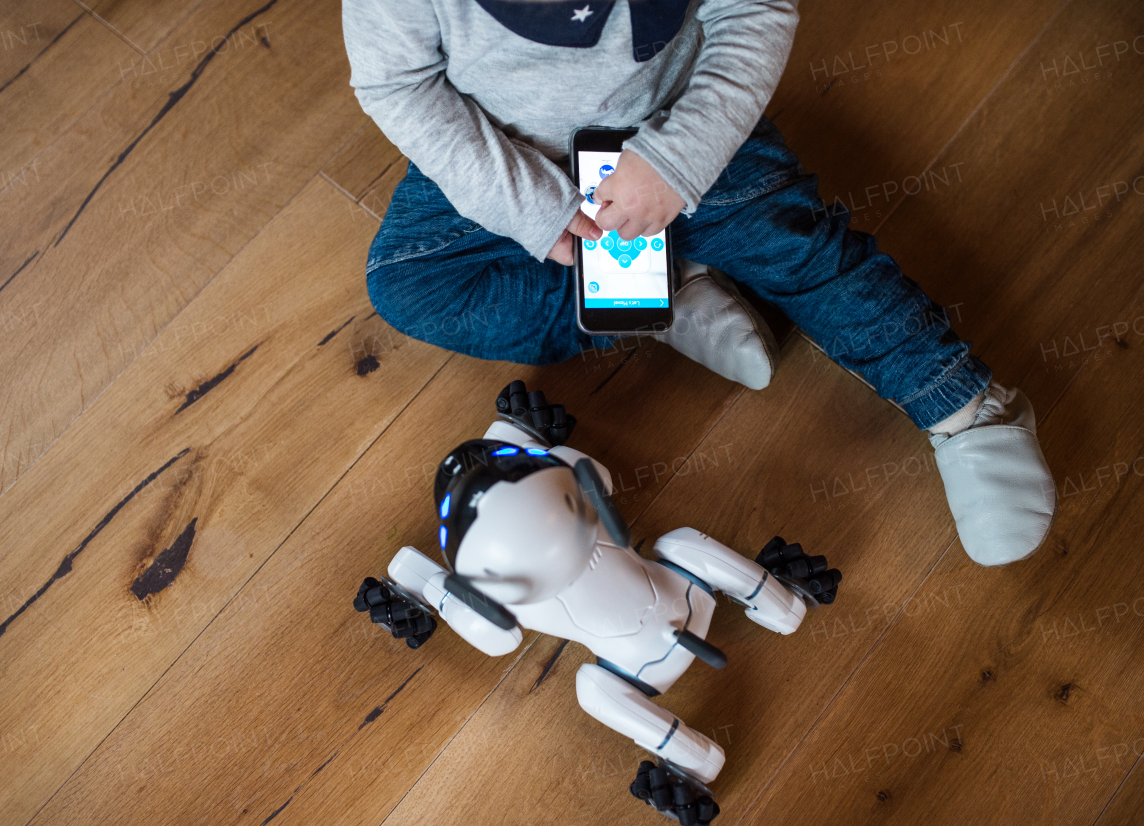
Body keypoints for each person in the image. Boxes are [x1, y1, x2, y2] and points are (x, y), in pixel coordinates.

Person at [341, 0, 1055, 566]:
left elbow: (755, 11)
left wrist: (678, 161)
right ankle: (661, 288)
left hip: (679, 132)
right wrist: (526, 203)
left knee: (805, 255)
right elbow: (396, 83)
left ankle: (966, 409)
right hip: (507, 152)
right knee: (409, 285)